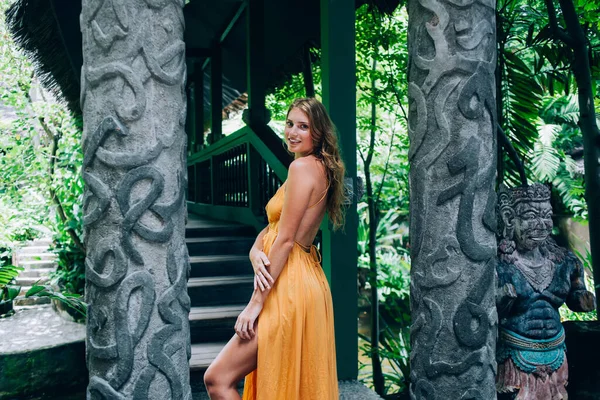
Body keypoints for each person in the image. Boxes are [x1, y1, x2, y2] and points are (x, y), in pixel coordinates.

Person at [203, 98, 346, 400]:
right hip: (304, 280)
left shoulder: (302, 168)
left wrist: (255, 303)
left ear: (318, 132)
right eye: (290, 123)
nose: (293, 132)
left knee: (217, 378)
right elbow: (273, 228)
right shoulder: (320, 167)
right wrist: (255, 251)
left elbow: (284, 239)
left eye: (303, 127)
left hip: (289, 285)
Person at [495, 183, 595, 400]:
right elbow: (485, 312)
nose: (541, 225)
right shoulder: (500, 265)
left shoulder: (565, 262)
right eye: (531, 216)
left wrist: (583, 299)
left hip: (556, 350)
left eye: (546, 216)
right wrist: (501, 299)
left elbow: (576, 294)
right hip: (516, 351)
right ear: (509, 219)